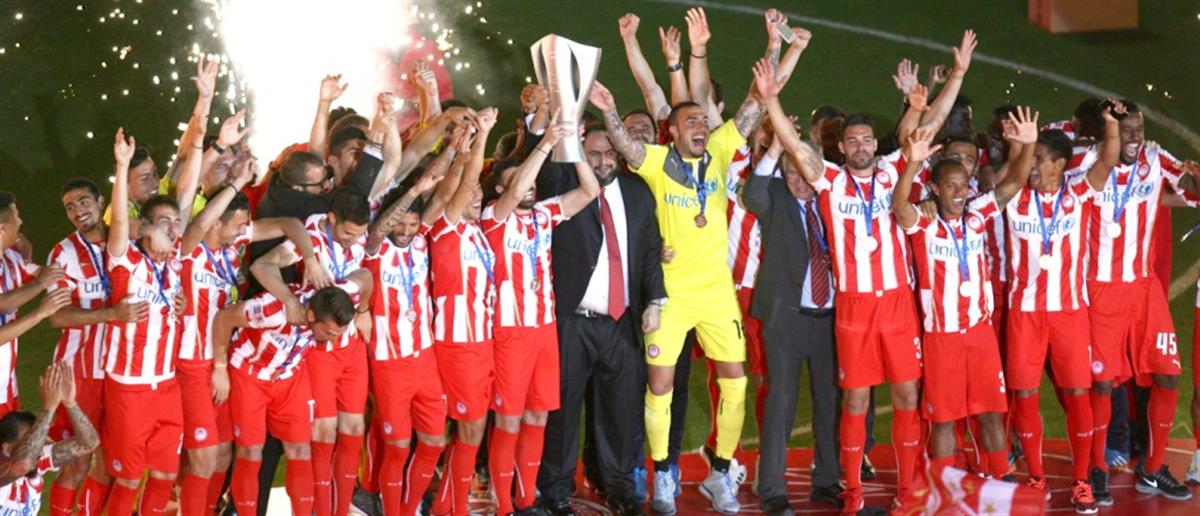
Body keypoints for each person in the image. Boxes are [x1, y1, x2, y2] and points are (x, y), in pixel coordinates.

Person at [590, 50, 767, 509]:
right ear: (672, 130)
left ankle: (721, 472)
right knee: (661, 387)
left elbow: (754, 108)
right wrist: (609, 109)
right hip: (670, 294)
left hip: (717, 293)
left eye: (704, 122)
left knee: (735, 382)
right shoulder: (655, 161)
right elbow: (625, 145)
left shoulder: (720, 151)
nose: (701, 127)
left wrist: (774, 51)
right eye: (691, 122)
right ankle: (663, 473)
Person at [176, 152, 326, 515]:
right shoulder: (191, 251)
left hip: (222, 361)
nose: (243, 231)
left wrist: (310, 258)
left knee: (222, 456)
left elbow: (290, 224)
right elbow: (199, 223)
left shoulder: (233, 244)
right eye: (237, 225)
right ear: (215, 224)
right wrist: (237, 183)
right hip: (194, 363)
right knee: (202, 458)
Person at [892, 109, 1036, 481]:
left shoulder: (977, 214)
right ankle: (945, 489)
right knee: (943, 420)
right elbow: (899, 207)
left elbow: (1015, 182)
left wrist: (1028, 143)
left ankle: (999, 480)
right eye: (950, 186)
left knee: (991, 413)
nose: (959, 193)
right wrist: (912, 163)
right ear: (935, 189)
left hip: (979, 335)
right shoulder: (924, 224)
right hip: (942, 338)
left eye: (963, 184)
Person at [536, 124, 666, 515]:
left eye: (611, 154)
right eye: (594, 153)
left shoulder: (638, 192)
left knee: (621, 411)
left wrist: (654, 301)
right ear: (579, 154)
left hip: (621, 321)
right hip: (571, 321)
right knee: (562, 410)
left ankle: (619, 487)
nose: (605, 161)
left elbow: (650, 249)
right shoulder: (564, 186)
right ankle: (556, 489)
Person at [1000, 101, 1121, 513]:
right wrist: (1019, 146)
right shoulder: (1014, 196)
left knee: (1078, 394)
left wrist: (1111, 125)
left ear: (1059, 165)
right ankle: (1036, 478)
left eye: (1039, 160)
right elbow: (1010, 175)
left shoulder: (1078, 193)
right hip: (1025, 313)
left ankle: (1082, 480)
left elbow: (1108, 159)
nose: (1032, 167)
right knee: (1025, 394)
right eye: (1031, 160)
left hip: (1070, 313)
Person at [1077, 99, 1200, 503]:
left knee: (1168, 375)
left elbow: (1190, 188)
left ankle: (1152, 467)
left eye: (1139, 129)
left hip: (1144, 290)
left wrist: (1195, 178)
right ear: (1107, 131)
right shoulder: (1087, 162)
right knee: (1101, 383)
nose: (1135, 138)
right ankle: (1096, 468)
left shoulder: (1154, 158)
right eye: (1126, 129)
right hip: (1100, 289)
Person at [481, 118, 600, 515]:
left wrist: (575, 148)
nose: (530, 186)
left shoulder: (543, 215)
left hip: (543, 330)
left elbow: (590, 191)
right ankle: (503, 505)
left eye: (533, 181)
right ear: (500, 189)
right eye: (520, 181)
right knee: (509, 420)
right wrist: (546, 142)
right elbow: (516, 190)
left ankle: (526, 499)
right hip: (510, 333)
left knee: (537, 416)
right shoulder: (494, 218)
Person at [101, 125, 206, 516]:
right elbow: (120, 225)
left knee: (164, 475)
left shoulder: (174, 261)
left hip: (167, 385)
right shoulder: (125, 261)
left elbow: (187, 191)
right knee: (129, 480)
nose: (173, 229)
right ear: (146, 226)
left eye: (175, 223)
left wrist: (203, 120)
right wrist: (122, 166)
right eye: (164, 223)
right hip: (129, 388)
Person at [250, 189, 374, 515]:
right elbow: (262, 266)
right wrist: (290, 299)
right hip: (319, 348)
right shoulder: (311, 240)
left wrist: (364, 311)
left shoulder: (357, 234)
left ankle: (341, 508)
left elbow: (366, 276)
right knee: (323, 432)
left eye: (359, 234)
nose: (353, 240)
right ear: (332, 219)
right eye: (348, 233)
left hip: (351, 347)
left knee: (354, 429)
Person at [742, 128, 840, 514]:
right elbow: (752, 194)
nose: (800, 180)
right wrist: (775, 149)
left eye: (805, 170)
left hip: (830, 319)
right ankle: (772, 488)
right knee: (781, 401)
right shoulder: (775, 196)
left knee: (829, 401)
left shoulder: (834, 197)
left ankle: (827, 481)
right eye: (791, 172)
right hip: (786, 319)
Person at [210, 283, 365, 515]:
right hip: (250, 373)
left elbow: (365, 279)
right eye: (329, 334)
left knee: (301, 450)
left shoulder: (331, 303)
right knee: (250, 452)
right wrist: (220, 368)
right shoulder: (272, 310)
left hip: (288, 376)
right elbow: (224, 318)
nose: (332, 342)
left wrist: (365, 310)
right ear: (311, 316)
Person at [45, 179, 143, 516]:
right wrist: (110, 314)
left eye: (84, 201)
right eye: (70, 207)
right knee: (77, 462)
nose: (78, 211)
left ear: (101, 201)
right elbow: (56, 316)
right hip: (79, 372)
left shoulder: (128, 243)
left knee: (111, 464)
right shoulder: (63, 253)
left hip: (123, 373)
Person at [423, 108, 499, 516]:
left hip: (482, 343)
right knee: (469, 430)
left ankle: (448, 504)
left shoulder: (476, 232)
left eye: (480, 193)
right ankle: (449, 507)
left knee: (472, 432)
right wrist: (480, 138)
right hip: (458, 344)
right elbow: (466, 181)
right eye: (470, 193)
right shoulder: (446, 227)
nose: (477, 195)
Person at [361, 166, 448, 515]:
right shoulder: (375, 250)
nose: (406, 232)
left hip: (425, 359)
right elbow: (378, 231)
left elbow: (443, 198)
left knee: (434, 442)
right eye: (401, 225)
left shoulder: (421, 242)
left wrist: (459, 154)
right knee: (397, 447)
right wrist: (414, 191)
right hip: (389, 362)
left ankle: (409, 508)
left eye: (413, 225)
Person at [0, 192, 69, 419]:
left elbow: (39, 272)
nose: (21, 222)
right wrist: (40, 312)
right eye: (16, 217)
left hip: (7, 384)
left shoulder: (11, 258)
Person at [0, 363, 100, 515]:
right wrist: (49, 407)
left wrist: (70, 403)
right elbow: (23, 464)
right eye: (30, 440)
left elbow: (89, 442)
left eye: (38, 437)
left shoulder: (37, 460)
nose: (37, 446)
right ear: (7, 449)